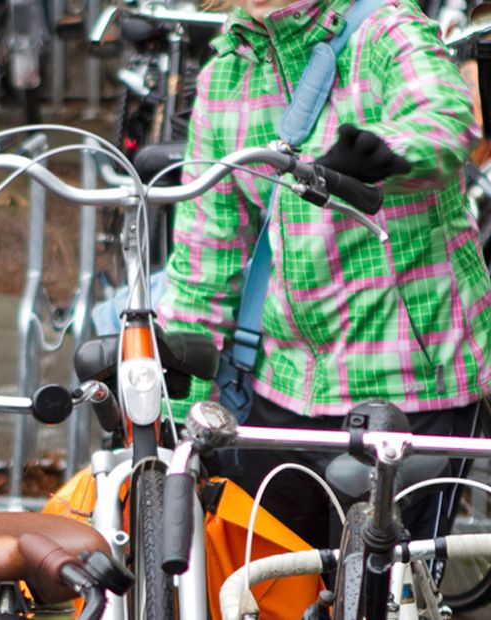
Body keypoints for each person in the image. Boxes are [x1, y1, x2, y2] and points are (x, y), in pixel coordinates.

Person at [156, 0, 491, 550]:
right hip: (275, 394)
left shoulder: (384, 28)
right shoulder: (224, 78)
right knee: (273, 594)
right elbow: (204, 266)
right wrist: (174, 416)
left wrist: (388, 154)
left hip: (412, 389)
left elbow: (446, 115)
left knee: (379, 593)